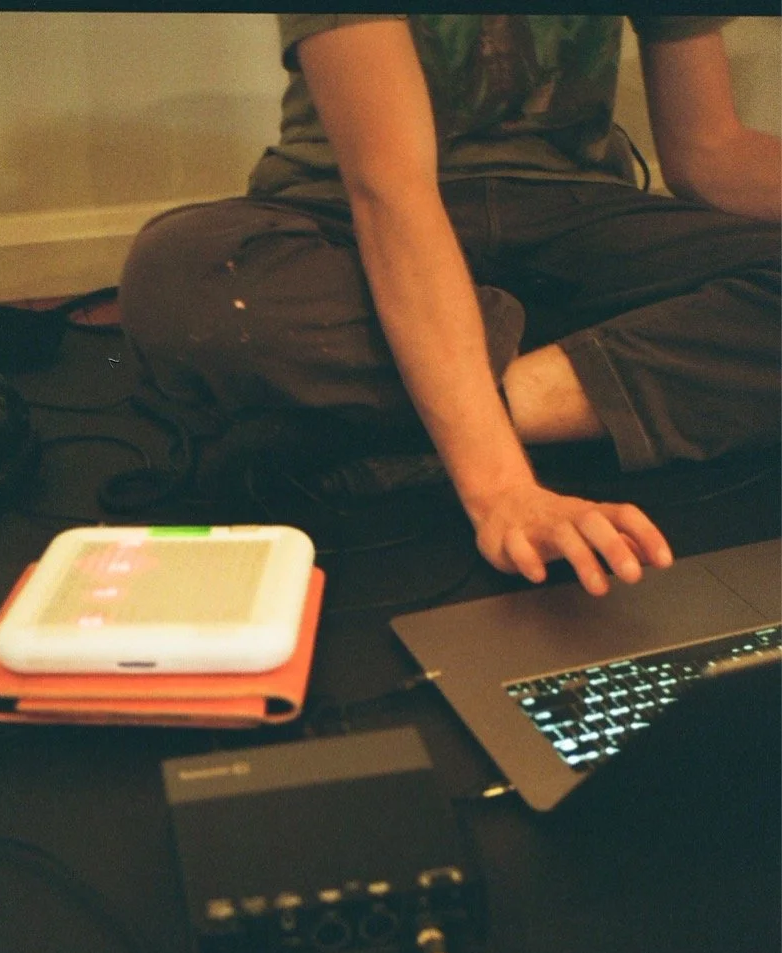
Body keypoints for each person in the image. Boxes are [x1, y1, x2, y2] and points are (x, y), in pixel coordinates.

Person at [119, 14, 781, 596]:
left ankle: (406, 414)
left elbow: (708, 152)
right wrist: (500, 493)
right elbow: (390, 185)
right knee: (186, 280)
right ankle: (558, 379)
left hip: (577, 215)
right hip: (345, 211)